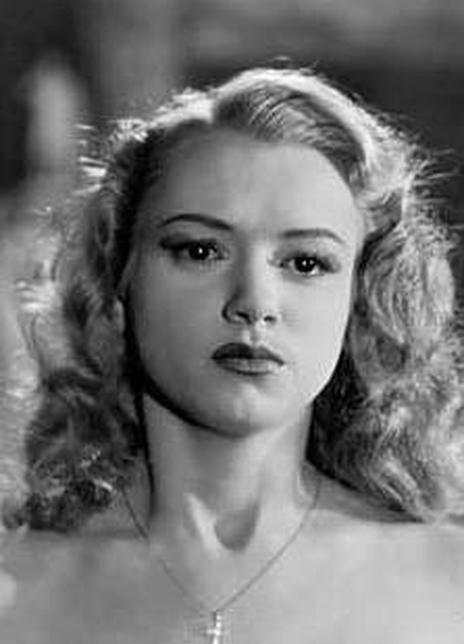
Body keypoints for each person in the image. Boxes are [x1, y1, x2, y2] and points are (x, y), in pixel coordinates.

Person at [1, 65, 464, 643]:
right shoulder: (15, 584)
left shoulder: (448, 584)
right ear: (119, 274)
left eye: (306, 263)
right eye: (200, 250)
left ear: (360, 298)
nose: (254, 303)